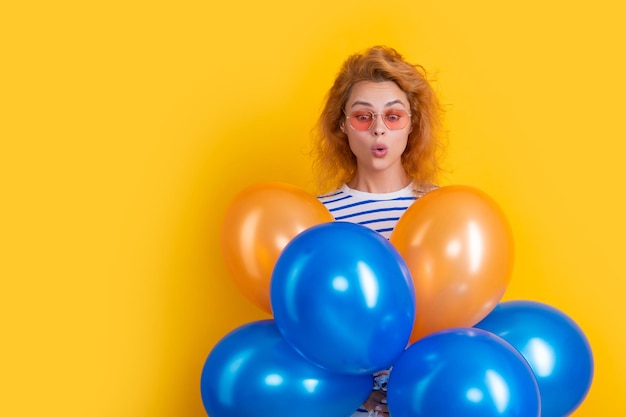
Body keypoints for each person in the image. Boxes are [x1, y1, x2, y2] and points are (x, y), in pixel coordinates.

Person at [312, 45, 446, 417]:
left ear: (412, 124)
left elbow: (464, 311)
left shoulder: (442, 212)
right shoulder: (318, 217)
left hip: (431, 400)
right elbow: (308, 323)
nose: (378, 129)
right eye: (362, 117)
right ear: (342, 124)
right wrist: (351, 393)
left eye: (393, 115)